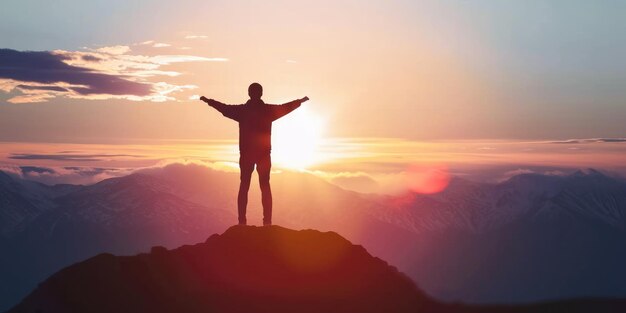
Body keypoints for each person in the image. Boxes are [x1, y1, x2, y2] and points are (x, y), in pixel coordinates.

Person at [200, 83, 309, 226]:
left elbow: (224, 108)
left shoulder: (242, 111)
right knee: (264, 186)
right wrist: (299, 102)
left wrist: (210, 102)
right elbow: (284, 108)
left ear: (249, 93)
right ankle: (267, 222)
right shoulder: (267, 111)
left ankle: (242, 222)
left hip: (247, 155)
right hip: (263, 155)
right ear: (261, 93)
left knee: (245, 185)